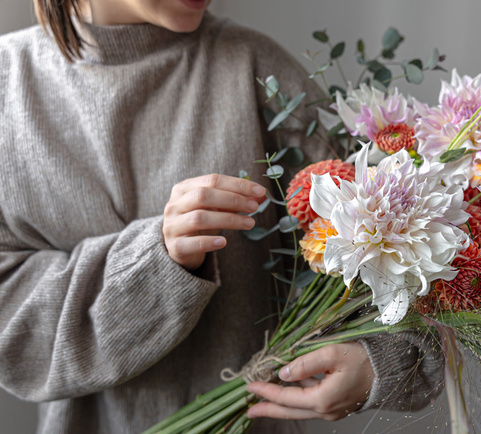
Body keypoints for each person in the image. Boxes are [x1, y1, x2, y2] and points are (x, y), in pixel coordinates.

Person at [0, 1, 443, 432]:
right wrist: (152, 264)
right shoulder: (9, 86)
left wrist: (378, 364)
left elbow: (400, 255)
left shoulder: (260, 70)